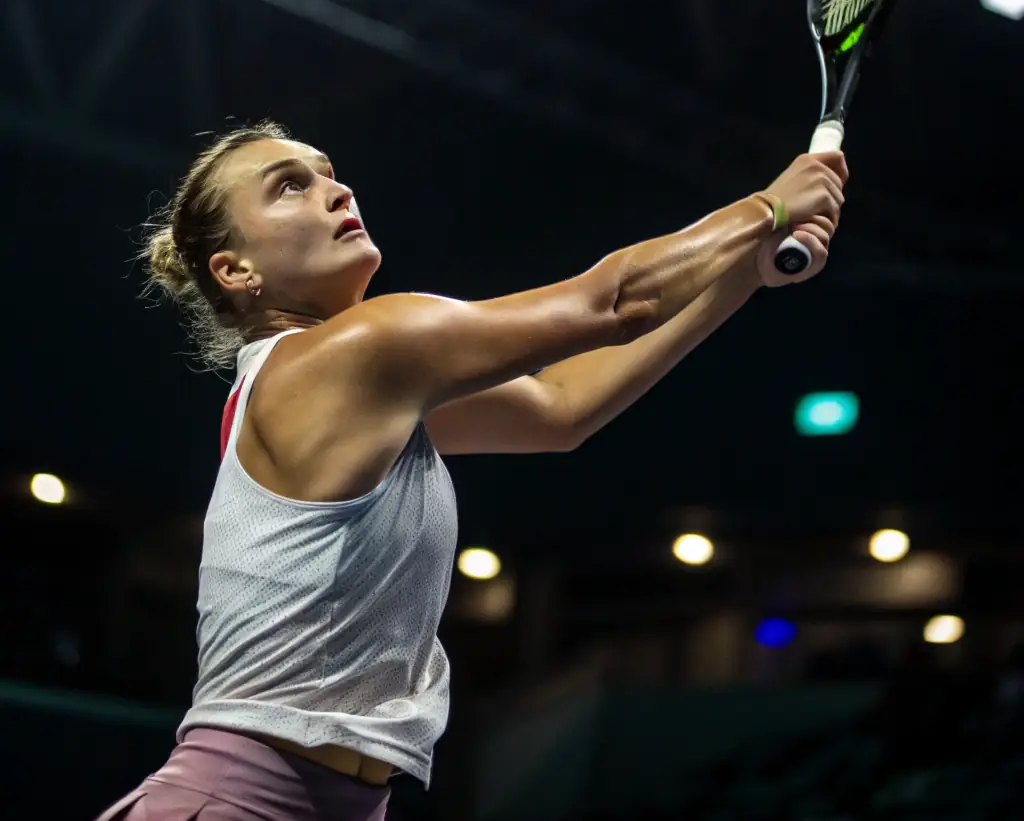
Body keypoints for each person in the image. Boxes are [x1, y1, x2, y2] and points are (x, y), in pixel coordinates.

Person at [96, 118, 846, 821]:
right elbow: (612, 300)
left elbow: (562, 405)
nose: (337, 189)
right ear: (235, 269)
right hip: (237, 801)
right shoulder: (360, 348)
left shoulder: (356, 383)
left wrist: (743, 272)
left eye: (329, 173)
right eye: (289, 184)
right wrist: (767, 207)